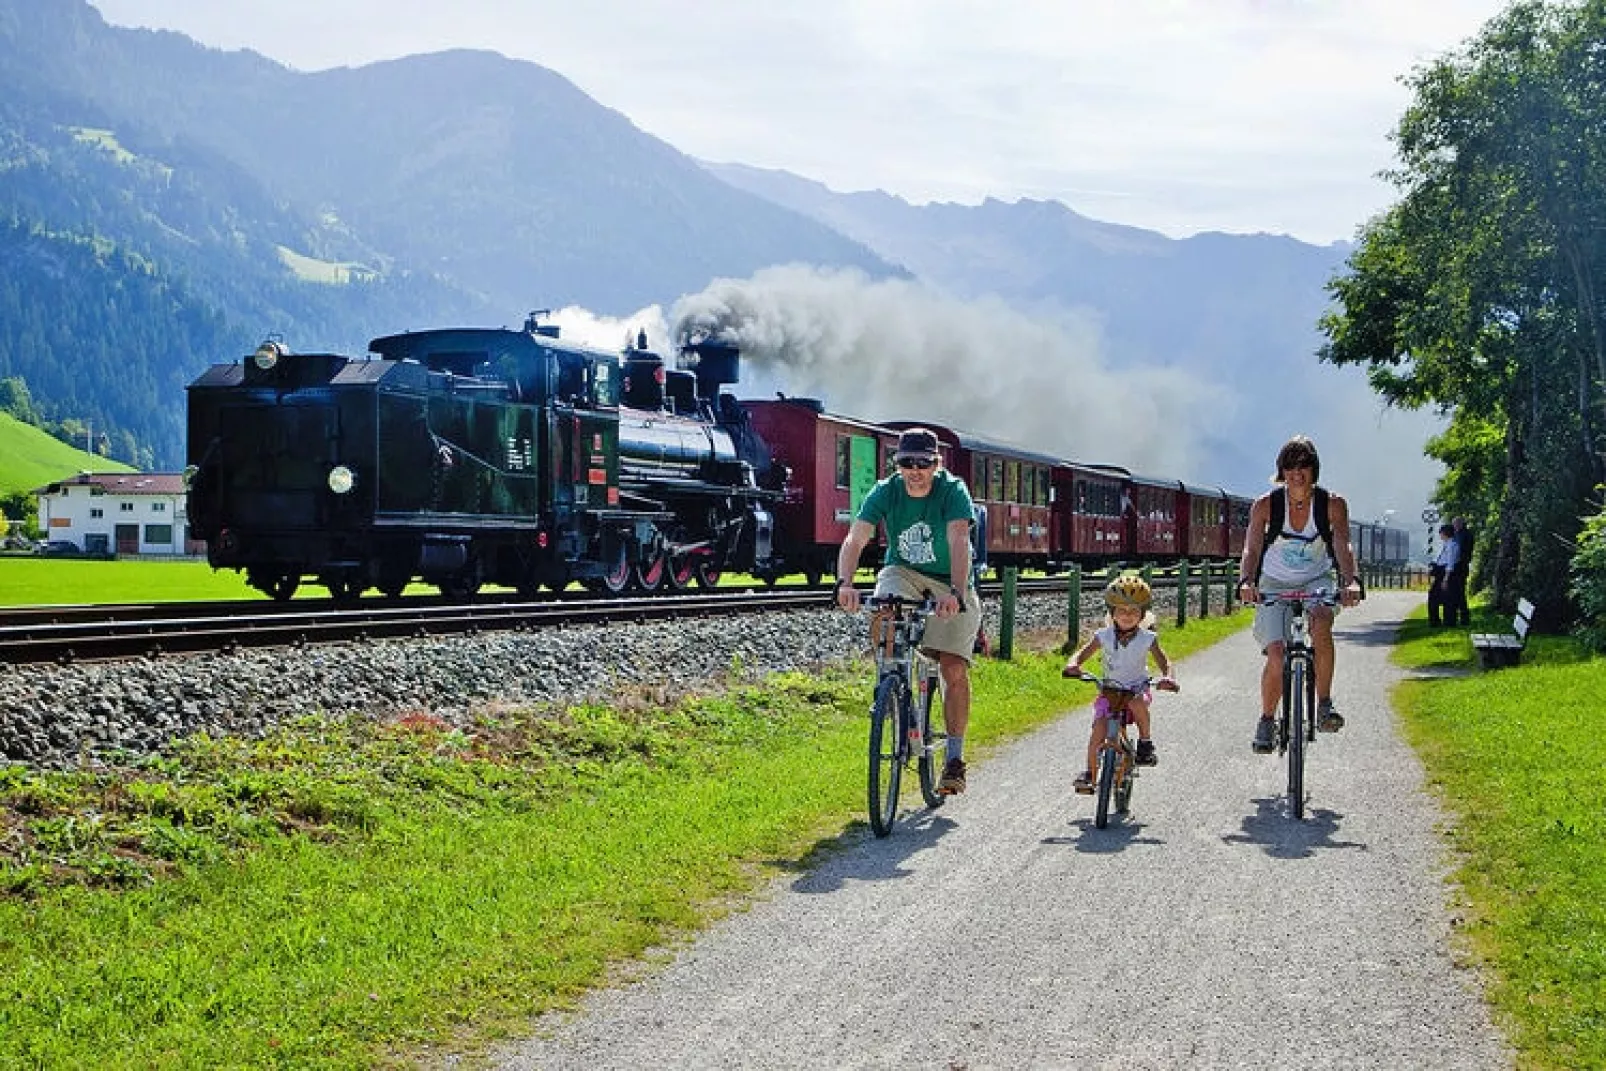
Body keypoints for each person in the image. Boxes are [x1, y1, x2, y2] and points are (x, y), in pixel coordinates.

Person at [836, 427, 981, 794]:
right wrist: (845, 583)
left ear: (937, 463)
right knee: (885, 609)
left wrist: (955, 593)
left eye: (923, 463)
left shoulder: (952, 490)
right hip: (903, 572)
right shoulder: (886, 491)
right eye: (906, 463)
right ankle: (889, 680)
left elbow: (959, 538)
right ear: (897, 465)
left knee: (952, 667)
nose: (915, 471)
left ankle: (954, 759)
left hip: (949, 577)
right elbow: (857, 536)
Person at [1236, 435, 1363, 754]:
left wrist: (1351, 581)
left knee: (1321, 624)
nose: (1297, 472)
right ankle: (1267, 719)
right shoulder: (1266, 505)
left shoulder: (1332, 504)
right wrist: (1246, 581)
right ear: (1281, 471)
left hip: (1315, 581)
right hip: (1274, 583)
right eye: (1290, 466)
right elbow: (1251, 547)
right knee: (1276, 654)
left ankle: (1324, 704)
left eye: (1303, 465)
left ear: (1314, 469)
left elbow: (1342, 544)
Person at [1062, 573, 1178, 795]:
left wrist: (1168, 677)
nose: (1127, 615)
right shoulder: (1103, 636)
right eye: (1121, 610)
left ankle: (1145, 743)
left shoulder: (1148, 638)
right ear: (1111, 613)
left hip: (1136, 689)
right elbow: (1081, 654)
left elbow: (1165, 662)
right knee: (1098, 729)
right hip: (1109, 692)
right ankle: (1090, 772)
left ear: (1143, 614)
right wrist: (1073, 664)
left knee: (1136, 703)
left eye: (1134, 611)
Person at [1426, 522, 1458, 627]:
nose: (1440, 535)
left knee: (1438, 597)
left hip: (1445, 574)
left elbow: (1450, 563)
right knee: (1438, 597)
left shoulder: (1452, 546)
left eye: (1441, 533)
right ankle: (1437, 621)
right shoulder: (1447, 545)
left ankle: (1442, 621)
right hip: (1441, 572)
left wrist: (1445, 579)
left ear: (1445, 533)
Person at [1447, 516, 1473, 626]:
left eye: (1455, 524)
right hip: (1459, 568)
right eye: (1453, 524)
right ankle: (1458, 617)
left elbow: (1462, 552)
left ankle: (1464, 618)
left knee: (1460, 594)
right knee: (1457, 594)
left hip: (1460, 569)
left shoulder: (1464, 535)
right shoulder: (1458, 535)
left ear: (1460, 524)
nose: (1454, 526)